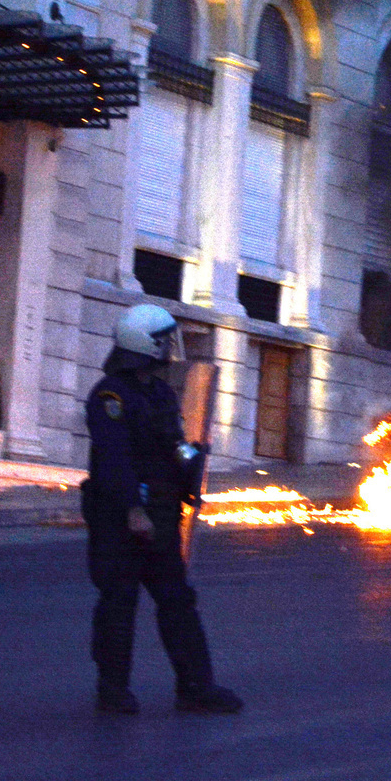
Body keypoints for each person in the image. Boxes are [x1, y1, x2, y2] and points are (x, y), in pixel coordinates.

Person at [82, 303, 242, 715]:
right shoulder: (110, 396)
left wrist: (194, 462)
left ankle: (195, 688)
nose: (168, 348)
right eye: (161, 341)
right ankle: (113, 690)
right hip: (122, 519)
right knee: (119, 603)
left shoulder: (159, 392)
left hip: (163, 517)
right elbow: (115, 458)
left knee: (177, 601)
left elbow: (173, 443)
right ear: (143, 344)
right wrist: (134, 510)